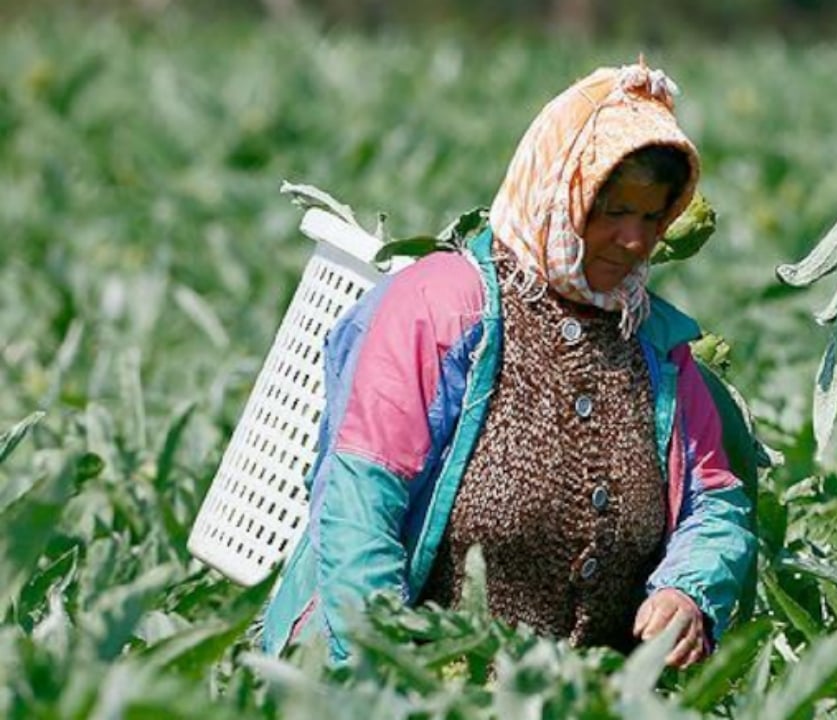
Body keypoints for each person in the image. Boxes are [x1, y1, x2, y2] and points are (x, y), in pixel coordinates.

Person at [260, 62, 756, 667]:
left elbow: (716, 507)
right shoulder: (439, 308)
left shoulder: (656, 344)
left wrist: (688, 590)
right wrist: (376, 674)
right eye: (614, 211)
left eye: (653, 217)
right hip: (420, 680)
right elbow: (360, 507)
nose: (635, 240)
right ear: (556, 192)